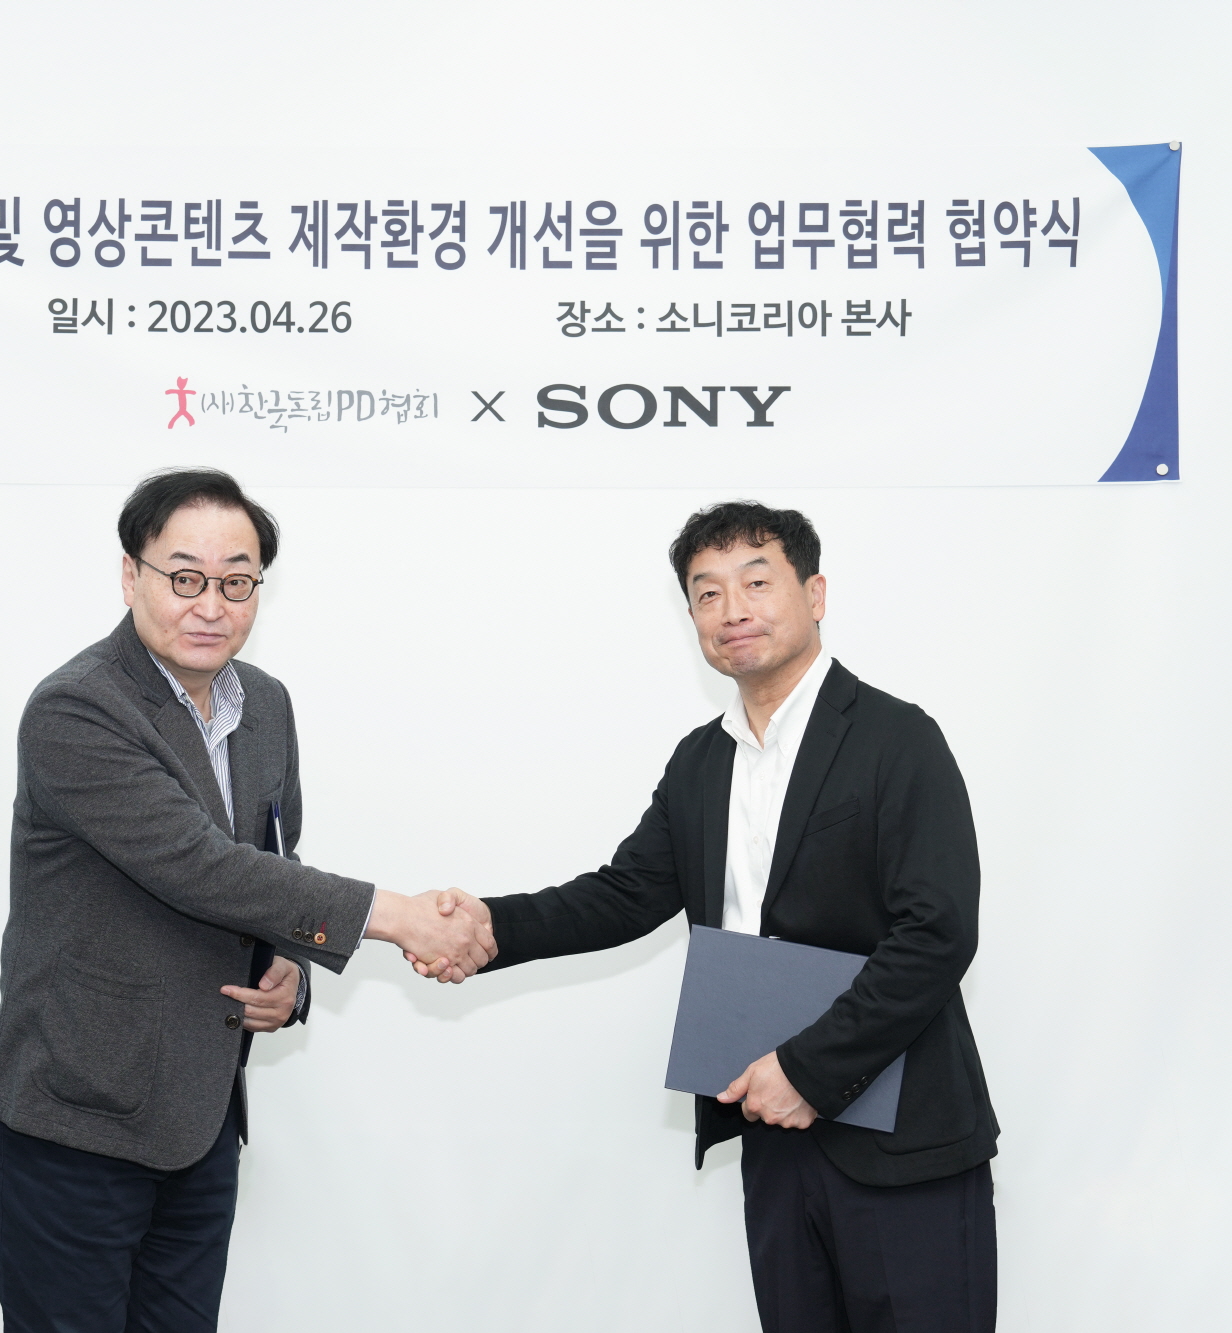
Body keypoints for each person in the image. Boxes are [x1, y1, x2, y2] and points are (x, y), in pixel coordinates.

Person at [416, 501, 998, 1333]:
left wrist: (807, 1070)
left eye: (757, 582)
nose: (733, 609)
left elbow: (937, 933)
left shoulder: (898, 738)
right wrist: (487, 926)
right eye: (708, 592)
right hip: (772, 1134)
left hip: (903, 1141)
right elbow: (625, 893)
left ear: (815, 594)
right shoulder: (700, 761)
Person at [0, 467, 495, 1333]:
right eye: (185, 578)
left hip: (200, 1118)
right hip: (75, 1118)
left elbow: (272, 861)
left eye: (236, 582)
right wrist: (399, 916)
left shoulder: (267, 706)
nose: (210, 605)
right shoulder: (77, 709)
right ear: (131, 575)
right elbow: (200, 866)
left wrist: (287, 960)